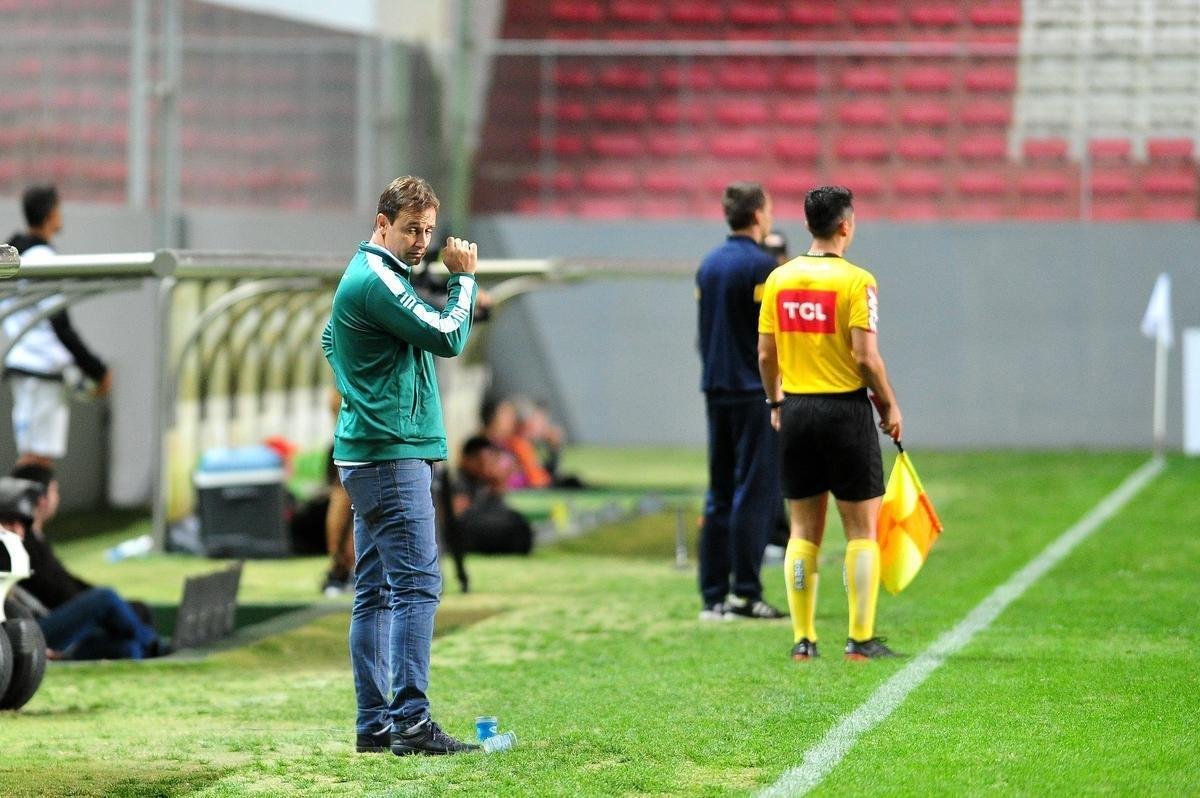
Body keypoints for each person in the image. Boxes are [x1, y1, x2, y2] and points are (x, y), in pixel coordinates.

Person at [322, 175, 481, 756]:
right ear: (381, 223)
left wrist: (360, 394)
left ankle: (374, 724)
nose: (422, 241)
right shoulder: (377, 280)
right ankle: (410, 722)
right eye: (412, 229)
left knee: (375, 592)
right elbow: (447, 336)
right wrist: (463, 280)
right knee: (416, 585)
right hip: (390, 455)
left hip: (373, 450)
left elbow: (328, 340)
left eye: (430, 230)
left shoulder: (371, 277)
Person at [757, 185, 904, 662]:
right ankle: (860, 640)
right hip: (845, 413)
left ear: (807, 226)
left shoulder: (780, 278)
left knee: (802, 532)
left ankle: (804, 640)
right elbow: (867, 358)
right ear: (846, 225)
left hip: (797, 412)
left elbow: (765, 354)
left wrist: (776, 402)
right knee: (861, 532)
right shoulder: (858, 282)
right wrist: (889, 406)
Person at [694, 181, 786, 622]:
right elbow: (771, 340)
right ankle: (747, 593)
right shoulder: (764, 268)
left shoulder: (709, 265)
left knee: (719, 492)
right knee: (755, 492)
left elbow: (703, 334)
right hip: (754, 392)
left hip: (716, 388)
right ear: (757, 216)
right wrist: (778, 393)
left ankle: (713, 595)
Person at [3, 185, 113, 468]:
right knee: (38, 460)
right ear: (51, 214)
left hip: (21, 365)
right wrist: (96, 370)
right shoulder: (42, 259)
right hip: (42, 369)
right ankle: (21, 513)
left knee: (30, 456)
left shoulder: (11, 255)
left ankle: (18, 512)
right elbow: (60, 325)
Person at [0, 477, 167, 660]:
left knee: (128, 649)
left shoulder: (25, 552)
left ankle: (147, 648)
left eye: (21, 523)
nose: (17, 530)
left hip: (43, 628)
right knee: (104, 598)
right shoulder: (8, 556)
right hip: (28, 634)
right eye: (8, 523)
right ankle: (153, 645)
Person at [450, 435, 534, 555]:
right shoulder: (459, 484)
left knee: (516, 520)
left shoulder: (483, 483)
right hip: (468, 536)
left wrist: (497, 485)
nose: (486, 467)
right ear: (467, 460)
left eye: (491, 461)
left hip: (481, 532)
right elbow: (455, 518)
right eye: (481, 462)